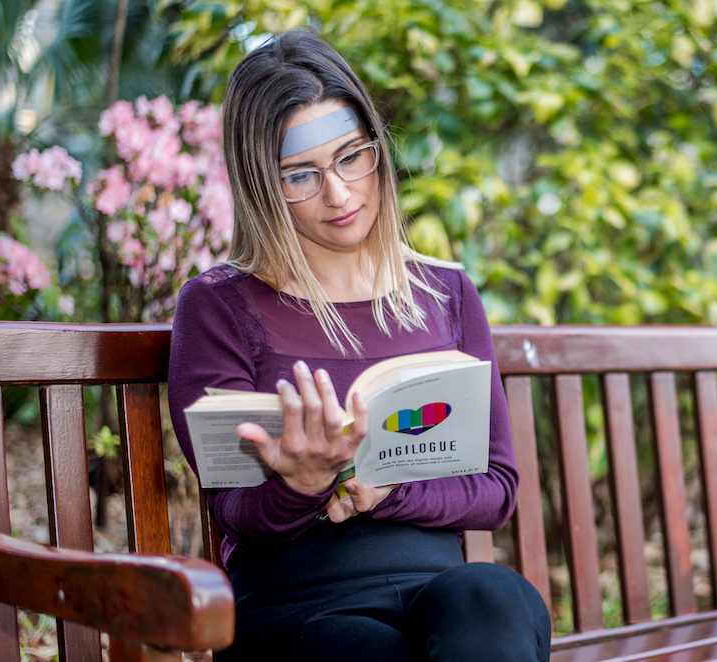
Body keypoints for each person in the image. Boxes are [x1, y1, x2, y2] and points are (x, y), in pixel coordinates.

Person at [167, 29, 551, 661]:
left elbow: (498, 486)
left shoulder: (446, 292)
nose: (340, 194)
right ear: (261, 184)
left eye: (352, 157)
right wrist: (305, 482)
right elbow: (236, 510)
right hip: (296, 607)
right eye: (301, 175)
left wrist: (387, 490)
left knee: (495, 598)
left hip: (439, 592)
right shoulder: (219, 306)